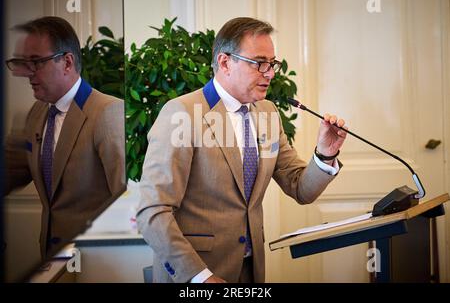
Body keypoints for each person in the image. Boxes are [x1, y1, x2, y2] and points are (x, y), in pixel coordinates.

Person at [137, 17, 348, 283]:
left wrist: (325, 154)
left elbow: (300, 188)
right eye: (259, 63)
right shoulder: (182, 113)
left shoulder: (269, 113)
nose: (270, 73)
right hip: (198, 274)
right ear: (225, 62)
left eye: (272, 64)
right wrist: (200, 277)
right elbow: (152, 212)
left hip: (252, 270)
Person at [4, 16, 126, 258]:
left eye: (37, 62)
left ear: (67, 62)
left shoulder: (108, 113)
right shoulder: (37, 113)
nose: (28, 73)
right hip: (49, 259)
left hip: (94, 263)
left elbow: (123, 203)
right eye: (24, 63)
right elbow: (10, 170)